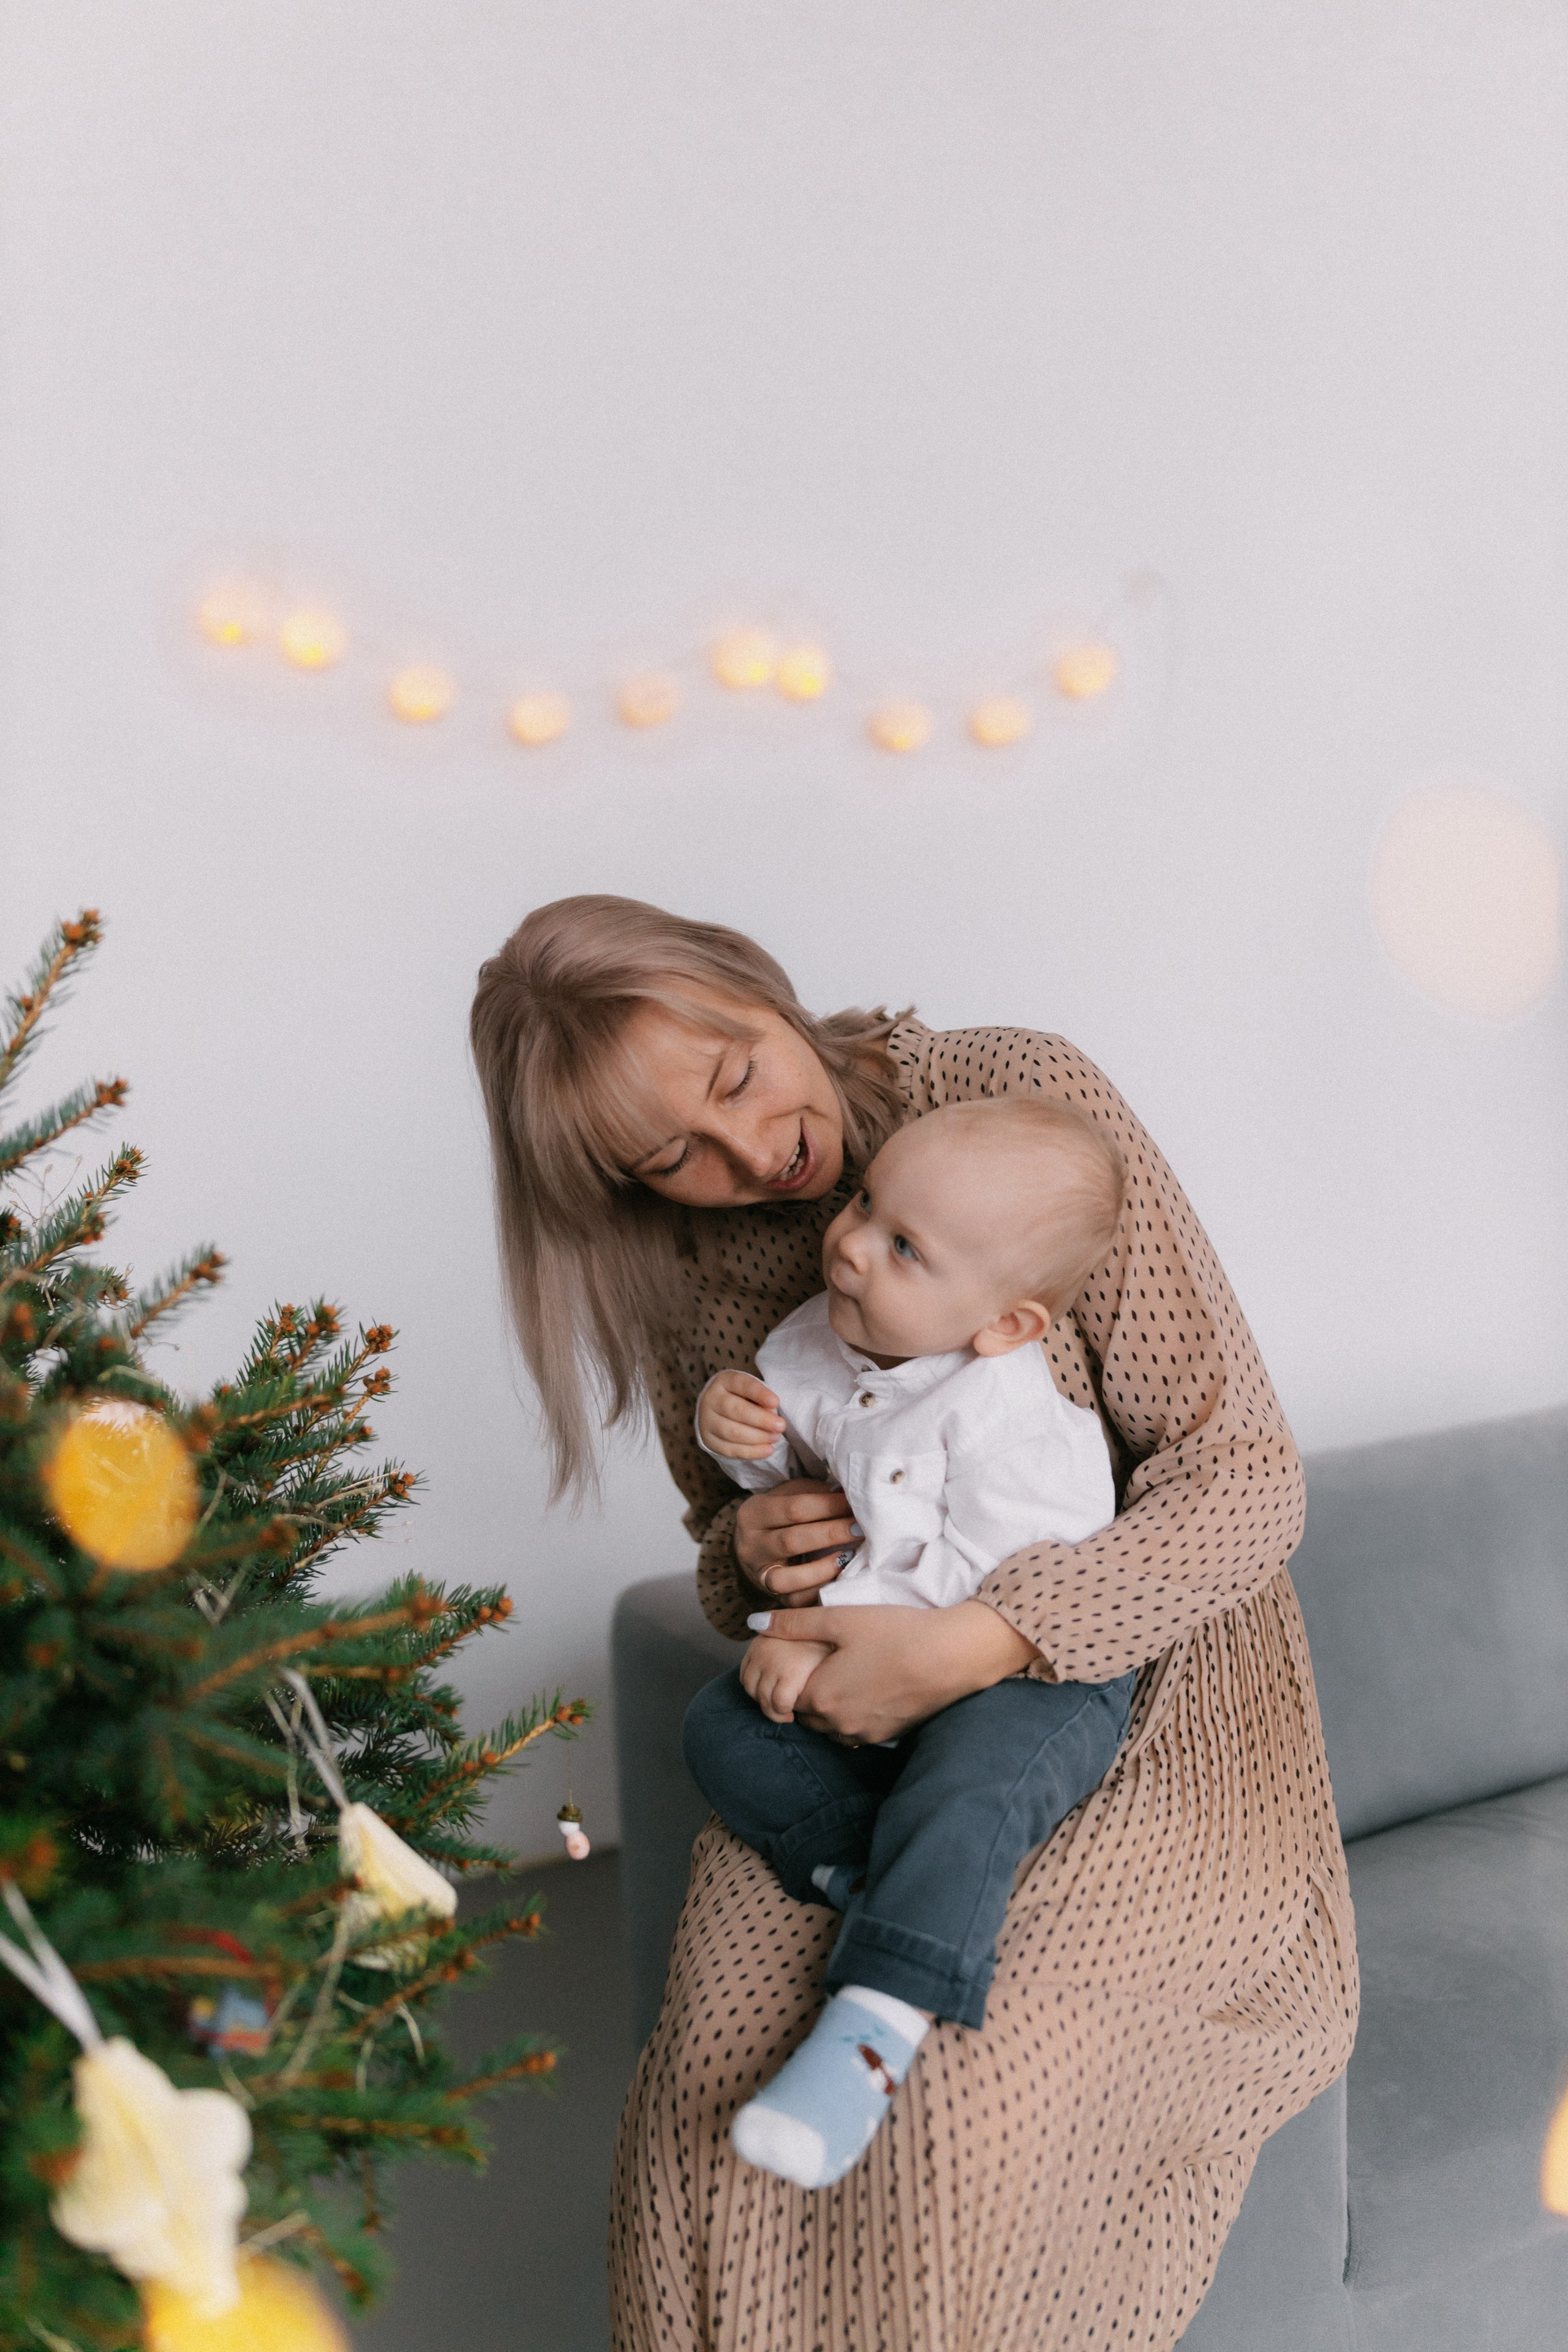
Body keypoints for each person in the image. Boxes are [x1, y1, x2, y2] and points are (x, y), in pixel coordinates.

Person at [469, 895, 1359, 2352]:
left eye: (740, 1074)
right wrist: (746, 1549)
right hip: (863, 1723)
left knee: (968, 2094)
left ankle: (906, 1968)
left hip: (1132, 1683)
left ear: (760, 988)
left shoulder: (1016, 1102)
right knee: (710, 2082)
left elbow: (1244, 1478)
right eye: (672, 1158)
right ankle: (894, 1906)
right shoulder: (688, 1282)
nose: (754, 1156)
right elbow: (730, 1550)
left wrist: (989, 1642)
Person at [683, 1098, 1137, 2190]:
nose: (846, 1242)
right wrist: (731, 1435)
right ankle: (868, 1868)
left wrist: (832, 1644)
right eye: (867, 1202)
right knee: (716, 1726)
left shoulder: (1010, 1420)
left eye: (902, 1246)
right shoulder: (826, 1330)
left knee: (976, 1782)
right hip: (875, 1651)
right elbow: (797, 1481)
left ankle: (877, 2022)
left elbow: (991, 1587)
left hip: (1018, 1667)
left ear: (1007, 1325)